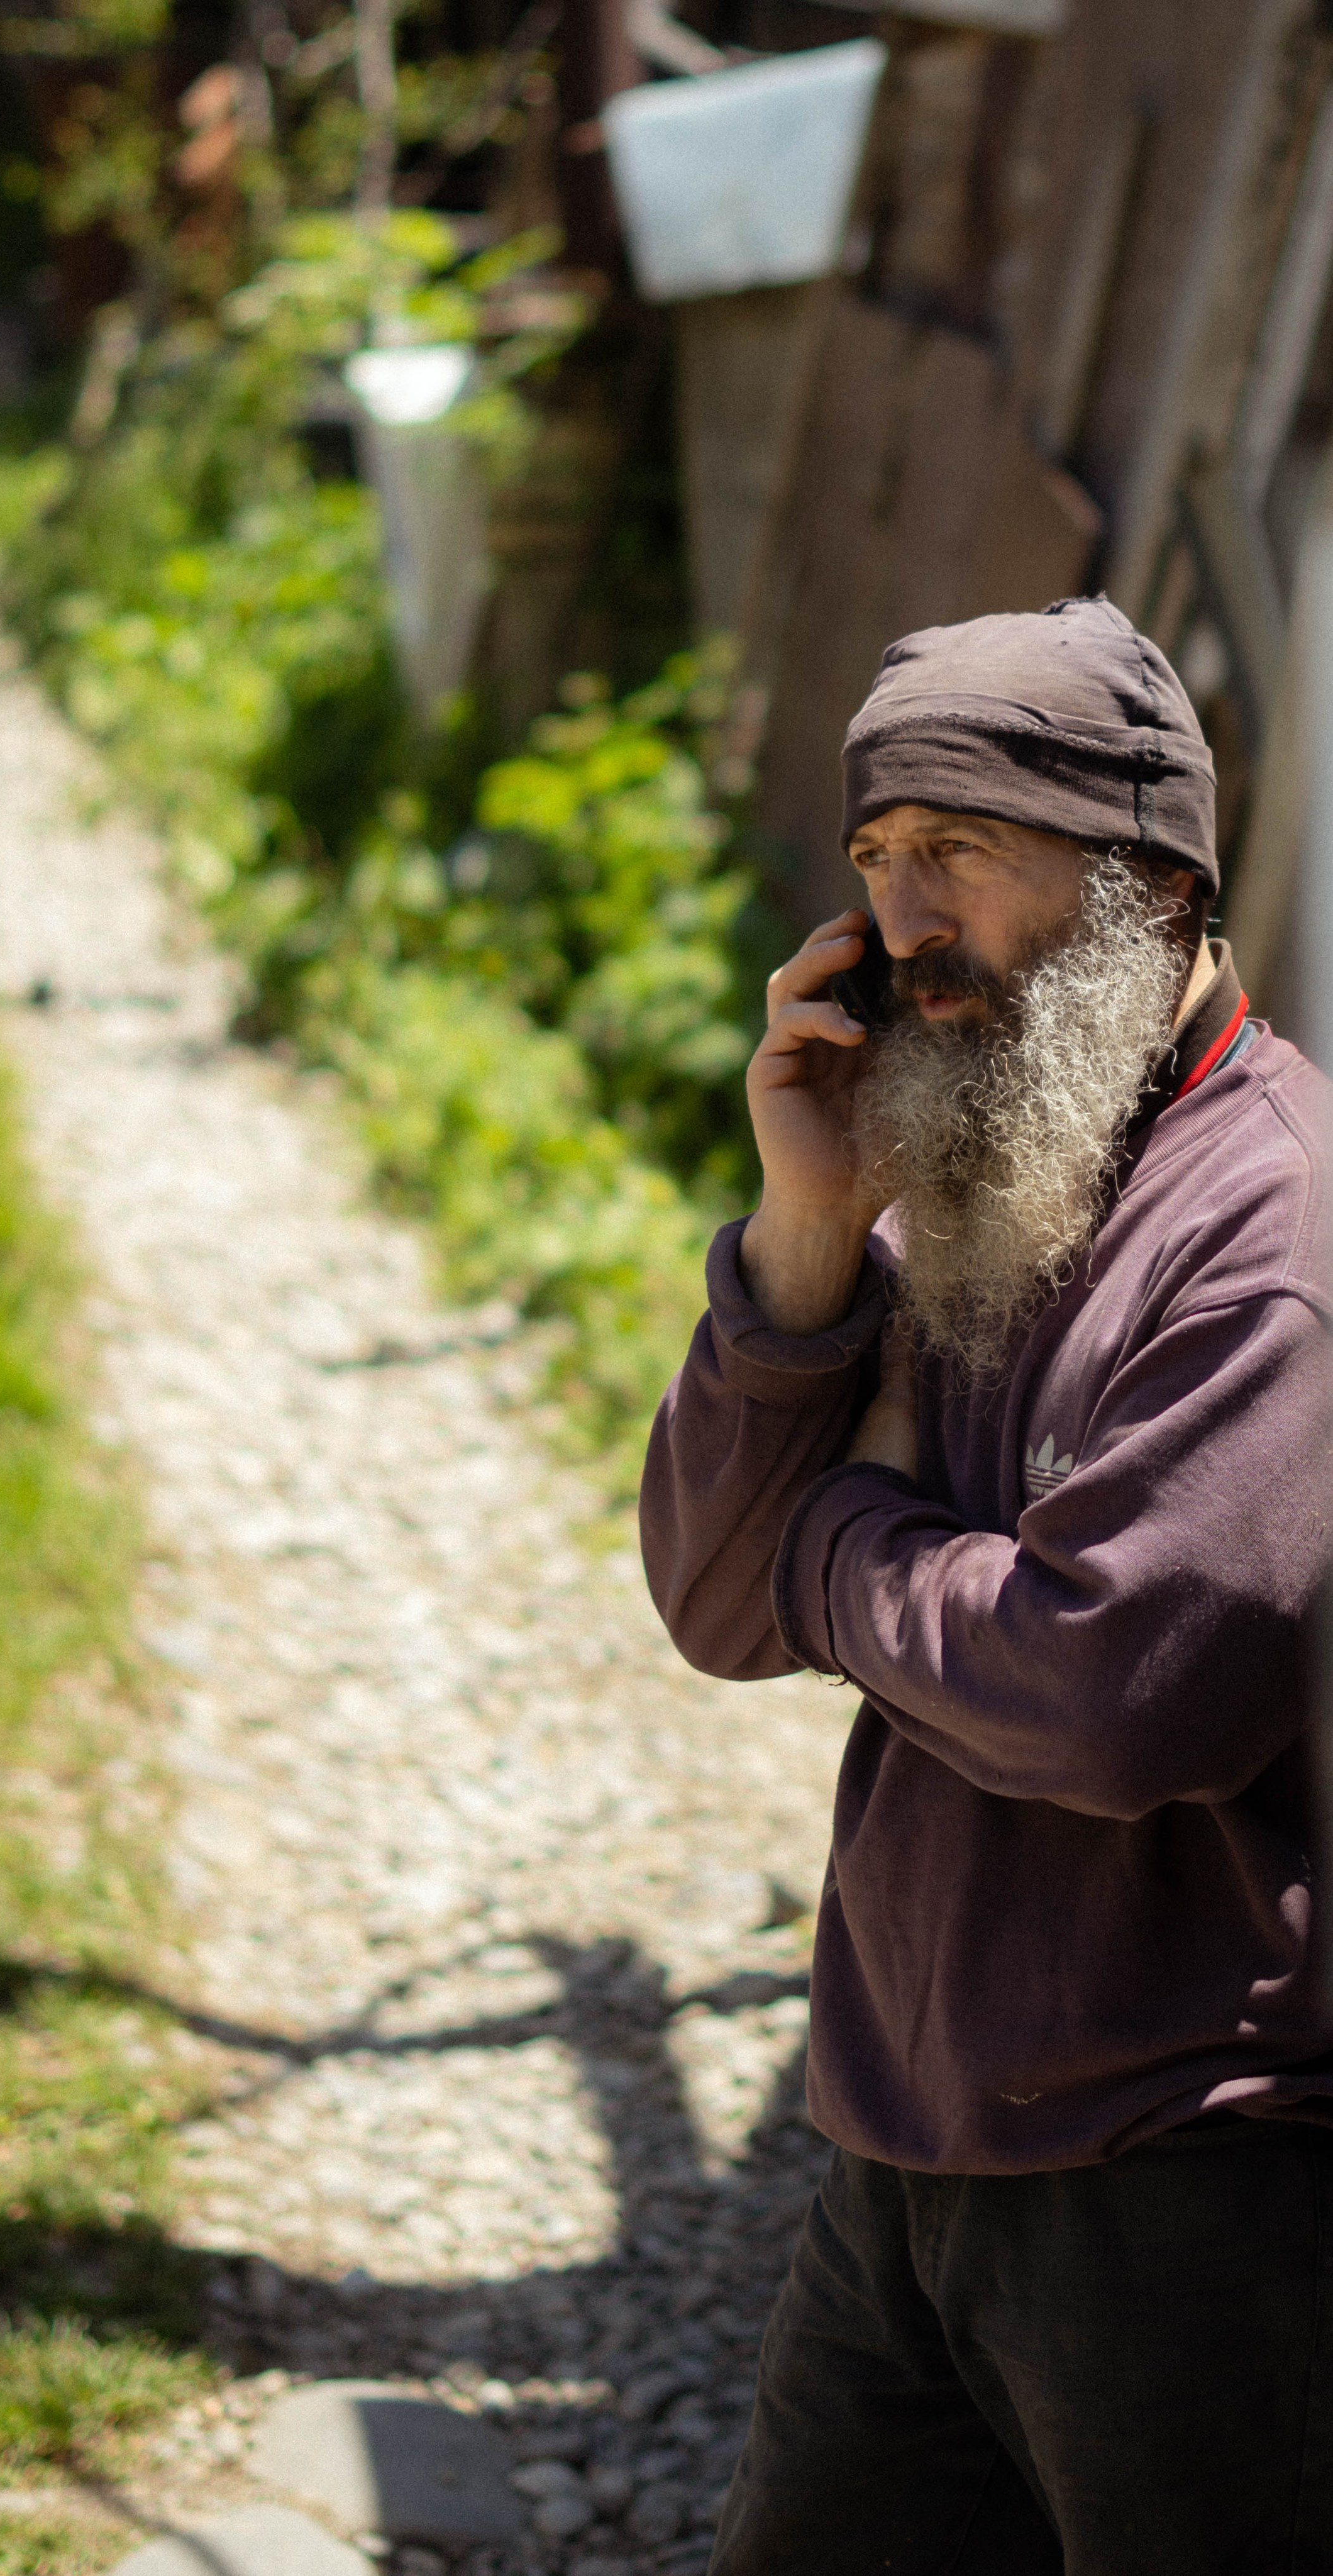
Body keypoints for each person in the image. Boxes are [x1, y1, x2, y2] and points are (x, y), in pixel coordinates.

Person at [639, 597, 1333, 2575]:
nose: (904, 914)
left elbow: (1114, 1694)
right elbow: (709, 1598)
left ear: (1147, 878)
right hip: (904, 2146)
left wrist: (849, 1542)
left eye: (962, 845)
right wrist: (797, 1229)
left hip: (1197, 2183)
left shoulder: (1272, 1235)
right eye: (876, 853)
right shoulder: (976, 1167)